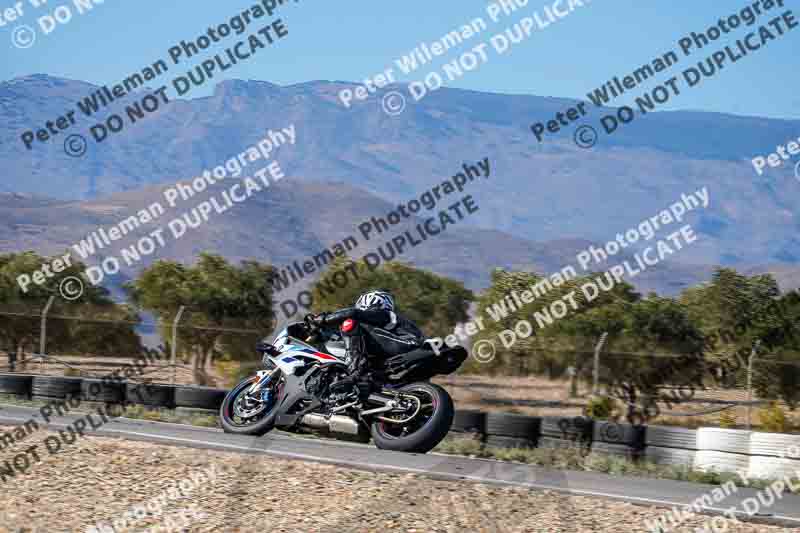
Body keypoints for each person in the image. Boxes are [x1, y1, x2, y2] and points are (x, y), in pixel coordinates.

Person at [310, 290, 424, 396]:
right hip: (407, 348)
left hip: (408, 344)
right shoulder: (387, 321)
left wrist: (324, 319)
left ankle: (355, 372)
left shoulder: (382, 312)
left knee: (349, 322)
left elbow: (353, 313)